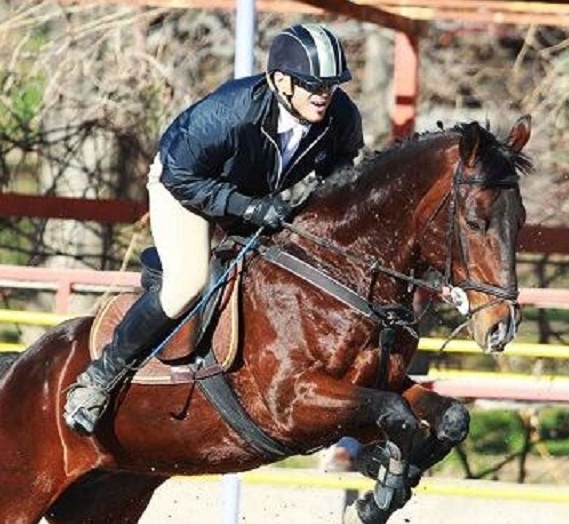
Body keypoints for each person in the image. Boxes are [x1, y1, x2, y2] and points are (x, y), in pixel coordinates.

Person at [64, 22, 366, 436]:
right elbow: (181, 175)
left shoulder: (341, 116)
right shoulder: (230, 113)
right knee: (188, 281)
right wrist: (248, 206)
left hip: (249, 192)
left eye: (331, 86)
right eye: (312, 84)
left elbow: (341, 175)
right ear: (281, 81)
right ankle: (98, 379)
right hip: (183, 185)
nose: (324, 95)